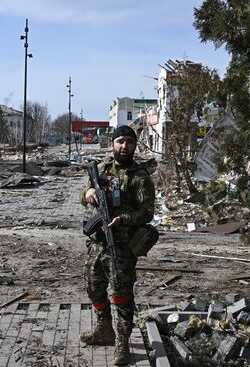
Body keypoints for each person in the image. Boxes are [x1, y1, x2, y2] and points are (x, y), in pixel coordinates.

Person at [79, 125, 156, 365]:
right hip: (97, 243)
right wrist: (89, 192)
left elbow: (148, 212)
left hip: (121, 245)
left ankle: (122, 340)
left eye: (130, 142)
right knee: (94, 287)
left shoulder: (139, 177)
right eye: (120, 141)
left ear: (135, 146)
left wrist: (124, 219)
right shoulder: (101, 170)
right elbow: (82, 196)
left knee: (122, 293)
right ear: (112, 144)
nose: (125, 146)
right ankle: (104, 328)